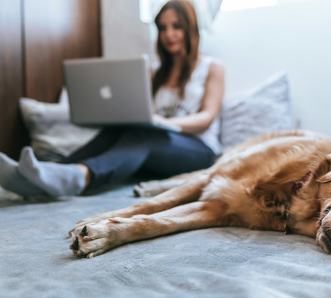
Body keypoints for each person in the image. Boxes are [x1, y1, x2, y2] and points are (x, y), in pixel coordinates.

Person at [0, 0, 224, 197]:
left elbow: (207, 117)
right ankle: (43, 174)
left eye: (176, 27)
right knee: (121, 131)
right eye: (163, 28)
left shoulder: (211, 67)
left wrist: (164, 123)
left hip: (199, 150)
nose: (168, 34)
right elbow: (139, 109)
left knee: (143, 135)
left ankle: (80, 176)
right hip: (156, 144)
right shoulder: (153, 72)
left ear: (190, 28)